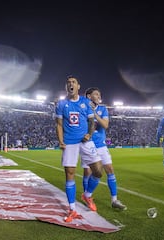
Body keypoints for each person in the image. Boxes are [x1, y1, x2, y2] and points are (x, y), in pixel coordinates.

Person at [55, 76, 103, 223]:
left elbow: (91, 122)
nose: (71, 84)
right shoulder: (61, 104)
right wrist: (61, 141)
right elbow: (58, 124)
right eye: (68, 82)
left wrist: (89, 134)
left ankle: (87, 195)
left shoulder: (85, 102)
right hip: (69, 142)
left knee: (98, 172)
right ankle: (72, 209)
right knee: (70, 174)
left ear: (78, 86)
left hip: (85, 141)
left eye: (73, 82)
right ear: (66, 87)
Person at [83, 87, 127, 210]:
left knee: (110, 169)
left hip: (101, 145)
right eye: (96, 94)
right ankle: (88, 196)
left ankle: (114, 200)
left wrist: (94, 113)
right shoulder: (82, 108)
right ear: (88, 96)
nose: (98, 96)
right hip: (88, 144)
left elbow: (105, 125)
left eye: (99, 94)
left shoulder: (103, 109)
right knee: (88, 172)